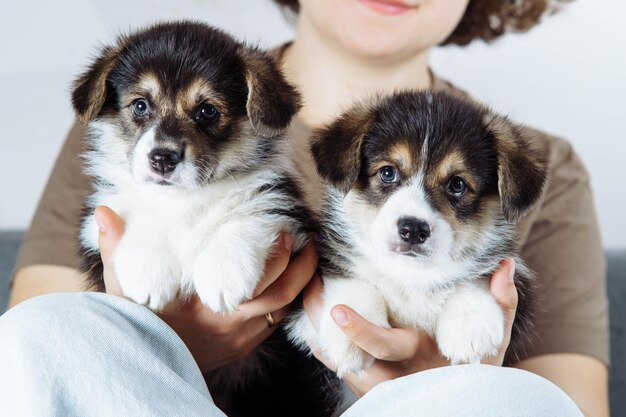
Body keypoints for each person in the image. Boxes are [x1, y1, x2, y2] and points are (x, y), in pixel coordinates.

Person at [3, 0, 608, 416]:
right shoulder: (124, 137)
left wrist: (448, 382)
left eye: (207, 115)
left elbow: (565, 405)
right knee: (40, 332)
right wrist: (174, 345)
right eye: (387, 174)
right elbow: (48, 364)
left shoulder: (534, 165)